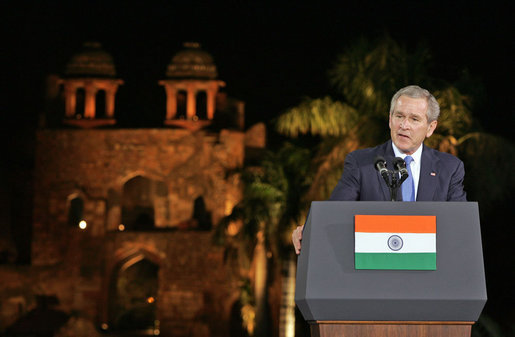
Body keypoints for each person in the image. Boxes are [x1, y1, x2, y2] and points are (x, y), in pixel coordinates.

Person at [292, 85, 467, 254]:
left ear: (430, 128)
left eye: (414, 119)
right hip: (375, 270)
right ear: (390, 119)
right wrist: (305, 230)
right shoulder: (361, 163)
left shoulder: (449, 168)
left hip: (430, 271)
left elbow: (460, 226)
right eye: (399, 116)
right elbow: (334, 212)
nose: (404, 125)